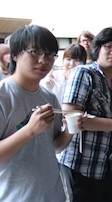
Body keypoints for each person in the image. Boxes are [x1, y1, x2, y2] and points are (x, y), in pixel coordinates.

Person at [59, 27, 112, 202]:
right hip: (81, 166)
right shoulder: (84, 73)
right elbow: (71, 117)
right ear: (97, 48)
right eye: (108, 46)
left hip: (109, 166)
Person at [0, 25, 72, 201]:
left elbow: (54, 146)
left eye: (49, 55)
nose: (43, 60)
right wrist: (30, 129)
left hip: (53, 194)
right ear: (15, 55)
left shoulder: (49, 97)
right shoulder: (3, 95)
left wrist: (70, 130)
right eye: (35, 52)